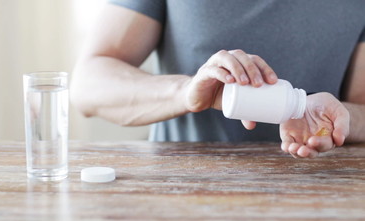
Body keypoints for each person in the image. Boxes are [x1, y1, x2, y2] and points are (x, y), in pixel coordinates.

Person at [70, 1, 365, 158]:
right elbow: (87, 84)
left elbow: (361, 107)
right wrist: (187, 92)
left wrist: (342, 119)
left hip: (315, 195)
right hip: (184, 195)